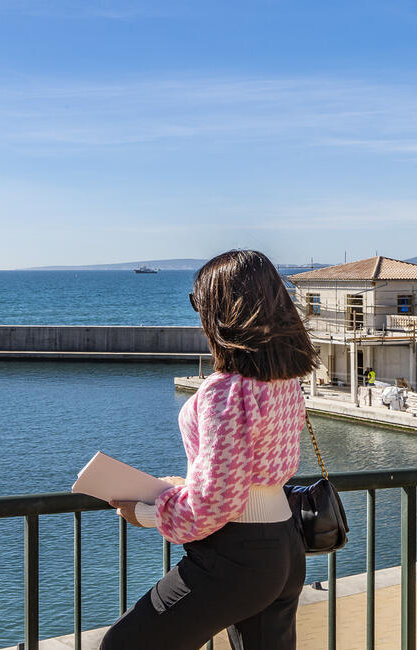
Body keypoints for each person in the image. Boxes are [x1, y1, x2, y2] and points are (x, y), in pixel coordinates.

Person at [101, 250, 317, 650]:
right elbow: (252, 475)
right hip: (285, 545)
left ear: (221, 312)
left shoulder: (226, 389)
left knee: (125, 645)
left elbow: (220, 499)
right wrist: (188, 484)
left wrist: (147, 512)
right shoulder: (283, 379)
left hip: (238, 552)